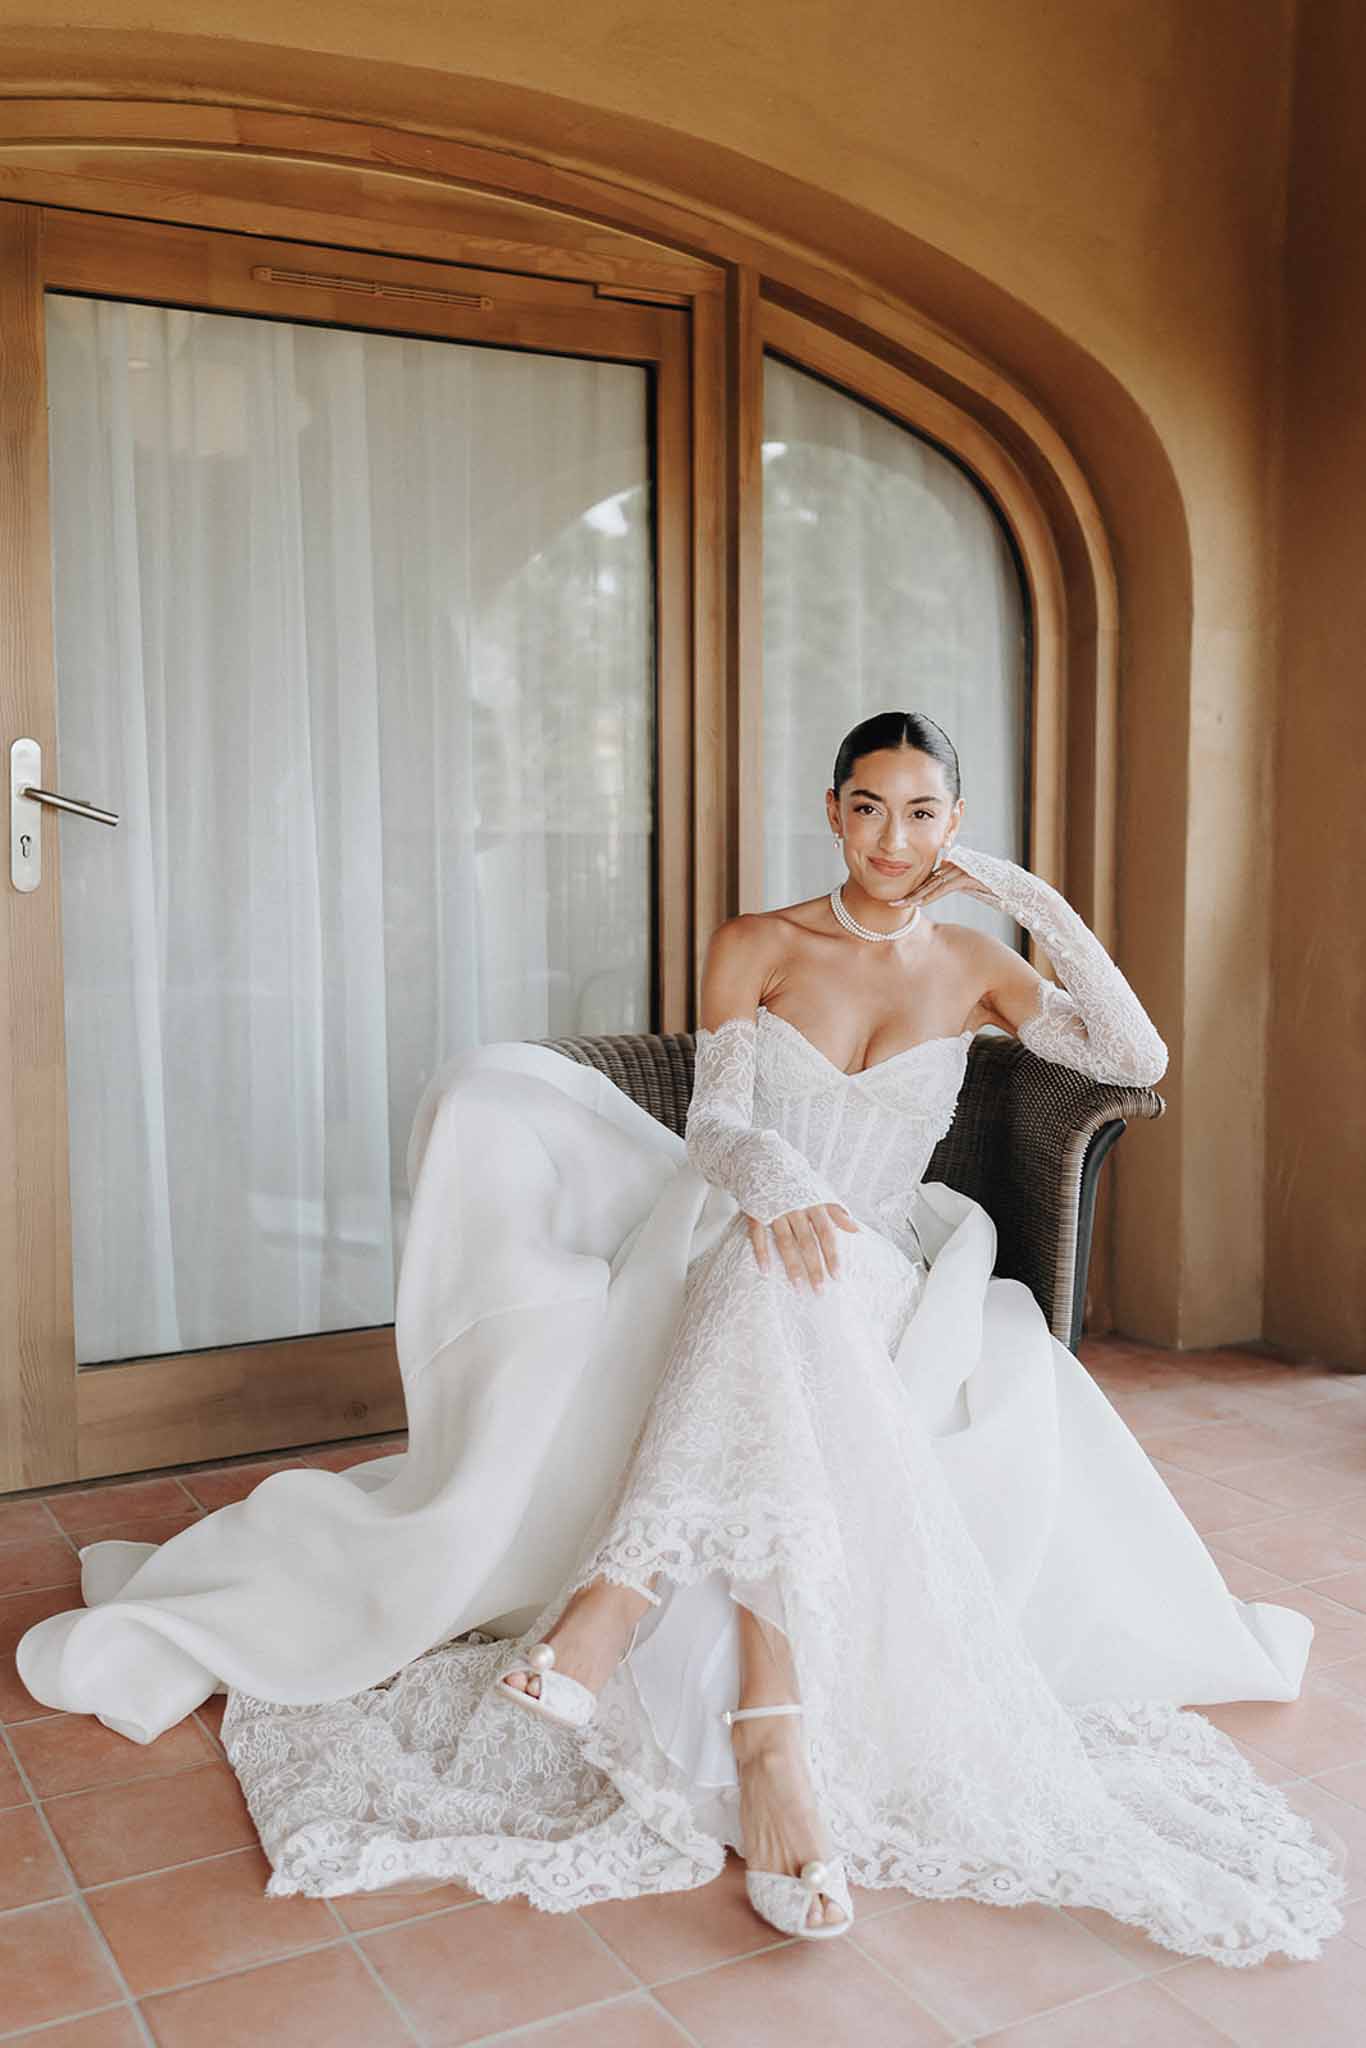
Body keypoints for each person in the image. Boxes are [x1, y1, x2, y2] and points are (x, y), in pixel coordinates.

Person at [19, 710, 1347, 1966]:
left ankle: (615, 1607)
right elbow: (715, 1126)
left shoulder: (978, 964)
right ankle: (769, 1751)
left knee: (799, 1296)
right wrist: (769, 1179)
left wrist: (1014, 892)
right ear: (831, 812)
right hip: (729, 1232)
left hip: (876, 1261)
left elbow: (1132, 1051)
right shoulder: (756, 939)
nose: (892, 842)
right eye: (869, 810)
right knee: (769, 1282)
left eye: (922, 815)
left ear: (953, 823)